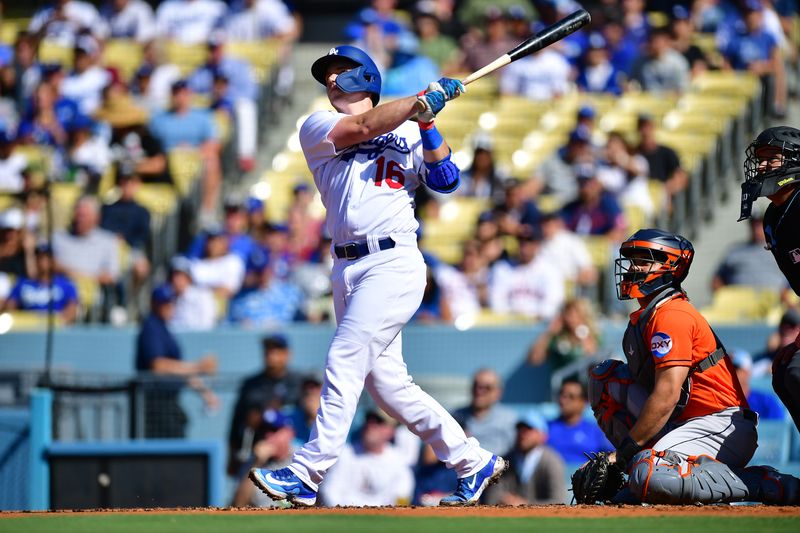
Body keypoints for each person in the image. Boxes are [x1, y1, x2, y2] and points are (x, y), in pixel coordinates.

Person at [248, 45, 506, 508]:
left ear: (365, 77)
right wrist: (419, 101)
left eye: (339, 71)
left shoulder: (409, 126)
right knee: (387, 387)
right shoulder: (317, 126)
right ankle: (472, 460)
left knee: (345, 357)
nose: (330, 80)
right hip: (346, 266)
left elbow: (445, 179)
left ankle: (307, 472)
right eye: (326, 73)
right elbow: (365, 127)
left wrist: (427, 120)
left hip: (393, 261)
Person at [586, 228, 798, 505]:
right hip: (682, 422)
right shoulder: (647, 315)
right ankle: (646, 470)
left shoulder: (672, 314)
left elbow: (666, 396)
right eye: (632, 259)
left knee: (648, 474)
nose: (633, 267)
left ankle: (764, 483)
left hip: (720, 424)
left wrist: (621, 455)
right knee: (605, 379)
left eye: (644, 259)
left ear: (671, 266)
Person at [738, 126, 800, 434]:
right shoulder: (774, 218)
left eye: (769, 159)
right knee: (783, 370)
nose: (761, 167)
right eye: (759, 159)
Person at [135, 284, 218, 438]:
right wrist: (199, 367)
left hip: (169, 402)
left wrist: (204, 391)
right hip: (156, 404)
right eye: (163, 303)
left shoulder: (164, 329)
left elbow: (179, 371)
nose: (168, 307)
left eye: (170, 302)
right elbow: (158, 366)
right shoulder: (151, 327)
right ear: (153, 303)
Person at [229, 335, 304, 476]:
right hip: (256, 451)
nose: (271, 355)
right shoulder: (251, 384)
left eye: (276, 350)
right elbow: (236, 422)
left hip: (291, 453)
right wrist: (231, 457)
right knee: (247, 492)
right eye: (268, 350)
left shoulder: (298, 382)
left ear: (287, 354)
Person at [319, 409, 415, 507]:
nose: (371, 424)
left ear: (391, 431)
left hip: (383, 519)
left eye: (379, 421)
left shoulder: (398, 461)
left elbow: (402, 495)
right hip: (345, 517)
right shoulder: (344, 454)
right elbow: (329, 492)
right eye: (369, 419)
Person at [483, 411, 566, 505]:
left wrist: (524, 504)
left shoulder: (552, 462)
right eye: (520, 429)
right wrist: (505, 501)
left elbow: (558, 501)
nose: (523, 433)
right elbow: (491, 497)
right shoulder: (505, 461)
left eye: (529, 429)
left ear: (543, 436)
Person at [231, 408, 297, 507]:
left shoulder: (302, 459)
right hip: (264, 520)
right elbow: (238, 504)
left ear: (289, 433)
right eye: (264, 430)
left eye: (274, 430)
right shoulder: (253, 463)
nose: (267, 436)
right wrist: (257, 463)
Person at [1, 242, 79, 324]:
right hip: (27, 327)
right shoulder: (23, 283)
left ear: (53, 260)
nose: (43, 261)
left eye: (46, 258)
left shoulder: (65, 284)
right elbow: (10, 307)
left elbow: (72, 309)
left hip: (53, 328)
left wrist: (58, 321)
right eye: (40, 257)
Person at [452, 368, 518, 458]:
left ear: (498, 393)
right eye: (476, 385)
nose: (479, 391)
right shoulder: (456, 416)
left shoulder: (508, 420)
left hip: (498, 469)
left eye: (487, 388)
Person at [547, 378, 613, 464]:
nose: (563, 400)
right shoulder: (546, 428)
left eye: (571, 397)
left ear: (583, 402)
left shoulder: (596, 431)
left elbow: (612, 456)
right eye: (562, 395)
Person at [528, 298, 601, 371]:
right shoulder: (558, 337)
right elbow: (535, 359)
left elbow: (596, 361)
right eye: (569, 313)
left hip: (587, 377)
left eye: (577, 314)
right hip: (566, 377)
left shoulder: (594, 335)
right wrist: (549, 333)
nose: (572, 318)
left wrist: (584, 337)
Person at [731, 349, 786, 421]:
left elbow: (778, 429)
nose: (729, 373)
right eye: (725, 369)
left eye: (734, 369)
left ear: (747, 372)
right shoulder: (719, 403)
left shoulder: (767, 402)